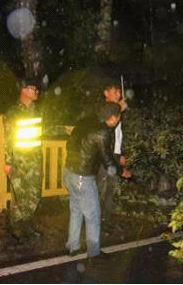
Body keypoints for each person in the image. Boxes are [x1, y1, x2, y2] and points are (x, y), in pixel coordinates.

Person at [64, 102, 121, 260]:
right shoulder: (102, 131)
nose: (118, 120)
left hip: (69, 172)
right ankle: (94, 254)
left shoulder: (85, 121)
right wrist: (122, 171)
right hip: (83, 177)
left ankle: (73, 246)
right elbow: (108, 160)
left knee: (76, 210)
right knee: (93, 215)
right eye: (118, 117)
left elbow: (69, 144)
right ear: (113, 118)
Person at [3, 77, 43, 241]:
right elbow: (8, 138)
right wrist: (8, 161)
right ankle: (17, 226)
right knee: (19, 196)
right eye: (34, 89)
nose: (36, 92)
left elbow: (43, 130)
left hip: (35, 159)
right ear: (24, 90)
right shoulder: (13, 112)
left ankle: (27, 224)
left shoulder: (38, 110)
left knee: (34, 194)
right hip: (18, 160)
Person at [97, 80, 132, 226]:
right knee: (100, 189)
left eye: (119, 91)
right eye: (115, 91)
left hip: (115, 154)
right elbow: (104, 130)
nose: (119, 94)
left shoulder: (117, 111)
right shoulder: (102, 110)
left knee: (111, 189)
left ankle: (107, 220)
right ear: (106, 93)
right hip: (105, 155)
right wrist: (118, 108)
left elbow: (118, 134)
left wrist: (121, 152)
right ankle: (95, 221)